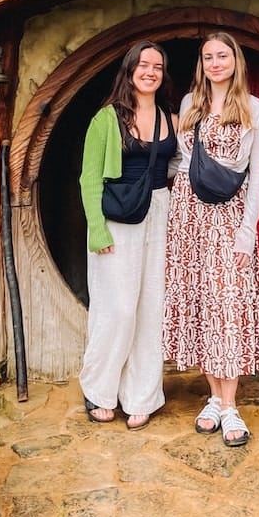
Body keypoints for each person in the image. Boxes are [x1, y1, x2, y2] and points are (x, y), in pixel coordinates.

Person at [164, 31, 259, 447]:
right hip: (188, 214)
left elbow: (257, 174)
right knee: (202, 304)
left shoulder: (254, 108)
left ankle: (231, 407)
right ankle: (213, 397)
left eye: (222, 56)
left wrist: (247, 233)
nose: (215, 63)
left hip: (229, 214)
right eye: (208, 57)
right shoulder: (191, 104)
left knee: (228, 303)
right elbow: (182, 159)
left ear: (235, 61)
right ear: (201, 64)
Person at [78, 40, 178, 429]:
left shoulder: (169, 116)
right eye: (143, 65)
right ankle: (99, 390)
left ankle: (142, 395)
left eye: (157, 66)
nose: (150, 71)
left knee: (151, 307)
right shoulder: (106, 118)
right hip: (117, 217)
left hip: (159, 212)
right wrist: (97, 230)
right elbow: (88, 178)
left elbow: (174, 167)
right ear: (129, 70)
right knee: (117, 309)